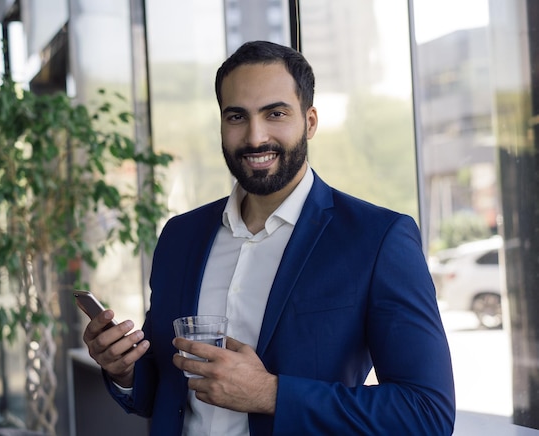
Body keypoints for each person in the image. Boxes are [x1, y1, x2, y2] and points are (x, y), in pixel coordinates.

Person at [83, 40, 455, 435]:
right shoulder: (180, 236)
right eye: (237, 117)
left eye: (275, 113)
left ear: (310, 121)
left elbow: (426, 412)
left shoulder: (378, 239)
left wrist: (270, 393)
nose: (255, 136)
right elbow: (166, 388)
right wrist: (124, 368)